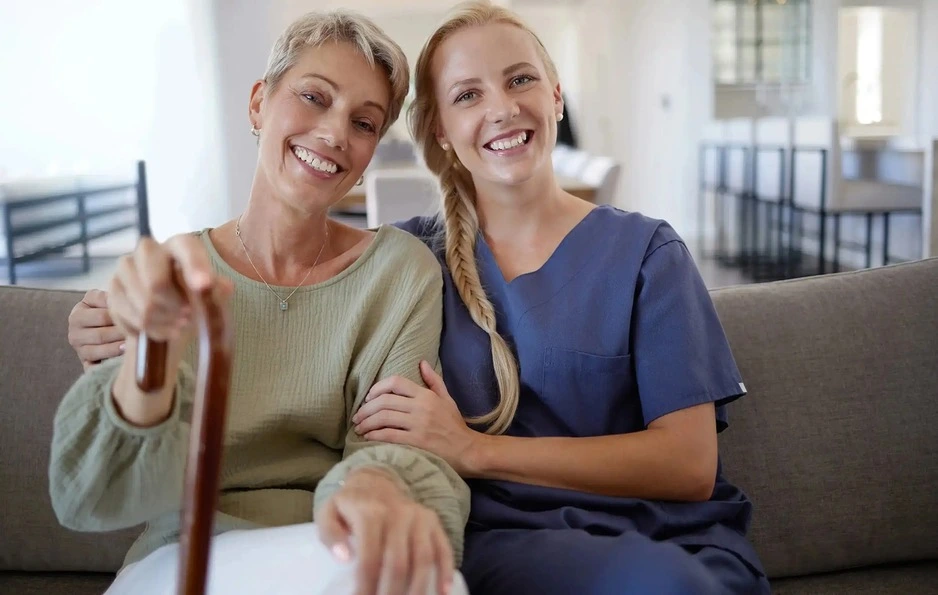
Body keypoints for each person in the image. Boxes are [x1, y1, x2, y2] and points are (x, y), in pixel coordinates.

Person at [350, 2, 771, 593]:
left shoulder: (647, 251)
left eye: (520, 79)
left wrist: (475, 450)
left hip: (680, 540)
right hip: (515, 544)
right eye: (468, 95)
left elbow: (689, 466)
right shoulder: (411, 260)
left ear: (556, 97)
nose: (502, 107)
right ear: (440, 129)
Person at [51, 10, 469, 595]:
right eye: (313, 96)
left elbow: (390, 446)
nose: (334, 133)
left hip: (328, 544)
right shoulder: (174, 272)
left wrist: (378, 490)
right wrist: (148, 365)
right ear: (257, 104)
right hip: (182, 552)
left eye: (364, 123)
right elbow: (93, 494)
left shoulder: (399, 273)